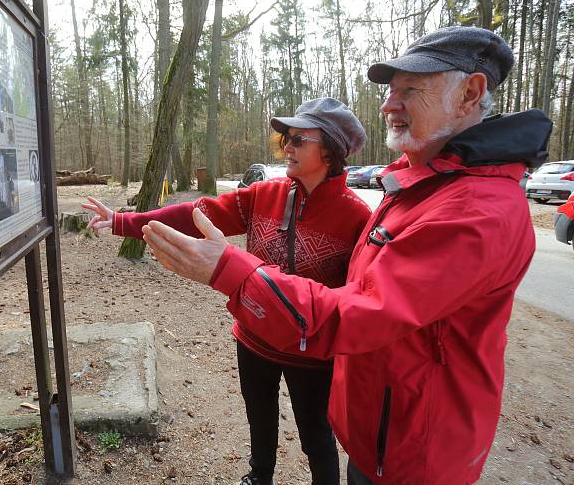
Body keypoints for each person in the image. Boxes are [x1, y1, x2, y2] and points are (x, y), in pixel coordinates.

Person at [140, 26, 553, 484]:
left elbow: (362, 312)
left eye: (408, 91)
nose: (388, 105)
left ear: (471, 93)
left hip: (412, 451)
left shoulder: (473, 210)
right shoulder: (419, 189)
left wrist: (233, 273)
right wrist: (126, 222)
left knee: (314, 436)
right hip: (377, 428)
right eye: (390, 92)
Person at [83, 98, 371, 485]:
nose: (287, 146)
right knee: (259, 416)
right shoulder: (263, 194)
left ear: (332, 150)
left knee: (316, 434)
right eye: (285, 138)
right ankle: (259, 477)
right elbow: (195, 214)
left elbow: (360, 294)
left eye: (300, 140)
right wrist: (123, 221)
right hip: (253, 337)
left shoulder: (356, 215)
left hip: (312, 351)